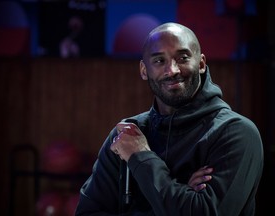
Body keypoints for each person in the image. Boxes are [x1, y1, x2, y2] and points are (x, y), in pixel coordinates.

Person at [75, 22, 264, 216]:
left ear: (200, 63)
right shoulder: (126, 135)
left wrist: (140, 156)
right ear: (143, 70)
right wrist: (181, 198)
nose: (172, 70)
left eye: (182, 58)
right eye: (159, 61)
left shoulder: (236, 133)